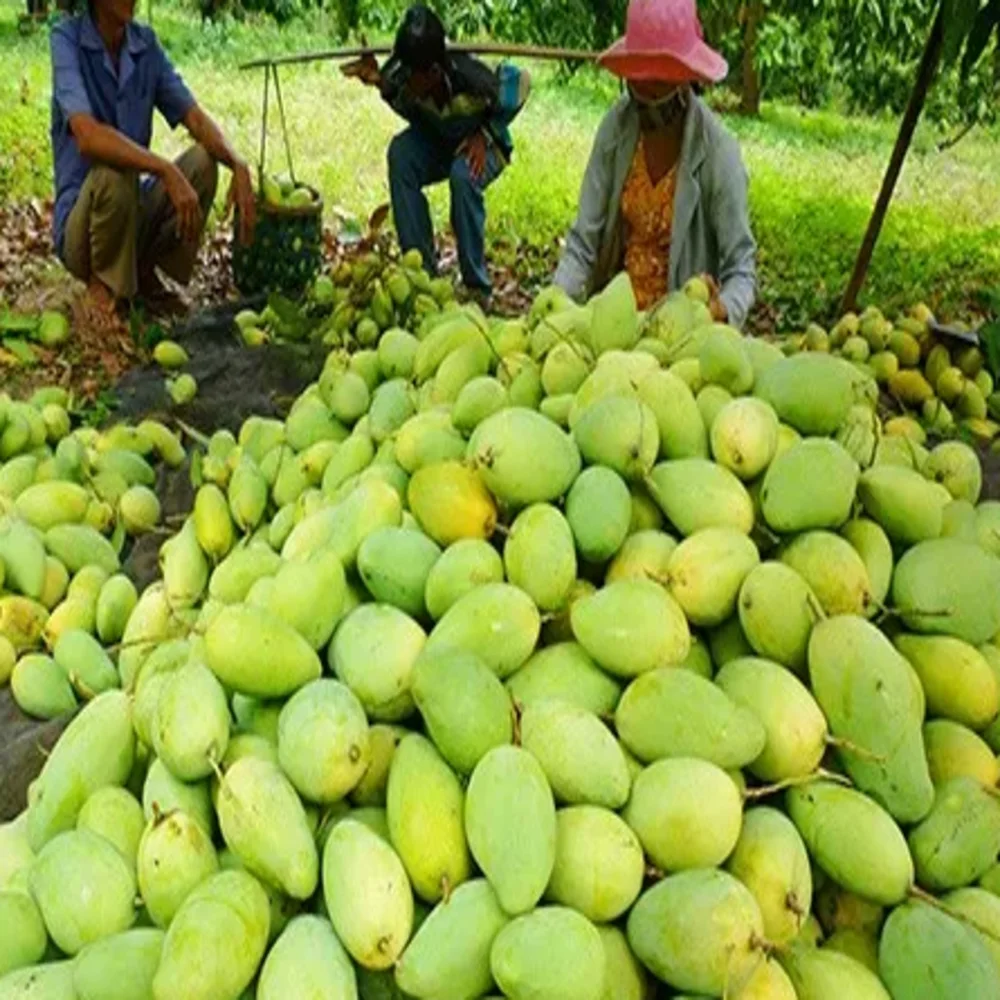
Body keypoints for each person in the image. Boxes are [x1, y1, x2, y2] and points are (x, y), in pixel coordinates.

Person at [554, 0, 757, 327]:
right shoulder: (616, 130)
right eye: (638, 80)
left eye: (658, 82)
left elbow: (742, 272)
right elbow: (582, 246)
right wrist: (556, 306)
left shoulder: (718, 153)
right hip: (613, 325)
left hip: (680, 337)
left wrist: (722, 309)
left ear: (685, 79)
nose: (645, 95)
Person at [49, 0, 256, 317]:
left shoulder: (144, 45)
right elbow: (88, 136)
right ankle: (102, 286)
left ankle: (143, 272)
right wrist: (163, 168)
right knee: (114, 175)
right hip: (84, 228)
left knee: (202, 163)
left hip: (133, 207)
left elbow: (195, 118)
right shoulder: (66, 40)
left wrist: (237, 163)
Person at [343, 6, 531, 300]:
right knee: (401, 154)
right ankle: (421, 274)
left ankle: (477, 287)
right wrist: (379, 80)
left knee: (463, 175)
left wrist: (485, 133)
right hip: (438, 142)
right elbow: (404, 102)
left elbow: (521, 83)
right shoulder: (406, 73)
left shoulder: (472, 78)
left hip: (482, 145)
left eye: (412, 75)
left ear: (433, 72)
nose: (404, 78)